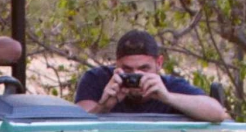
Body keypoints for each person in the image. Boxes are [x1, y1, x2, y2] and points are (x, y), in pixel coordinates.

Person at [74, 30, 229, 123]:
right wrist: (104, 106)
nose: (136, 77)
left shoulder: (171, 87)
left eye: (144, 69)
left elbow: (217, 113)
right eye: (127, 70)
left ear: (159, 63)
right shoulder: (98, 80)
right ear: (116, 64)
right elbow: (76, 127)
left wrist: (167, 98)